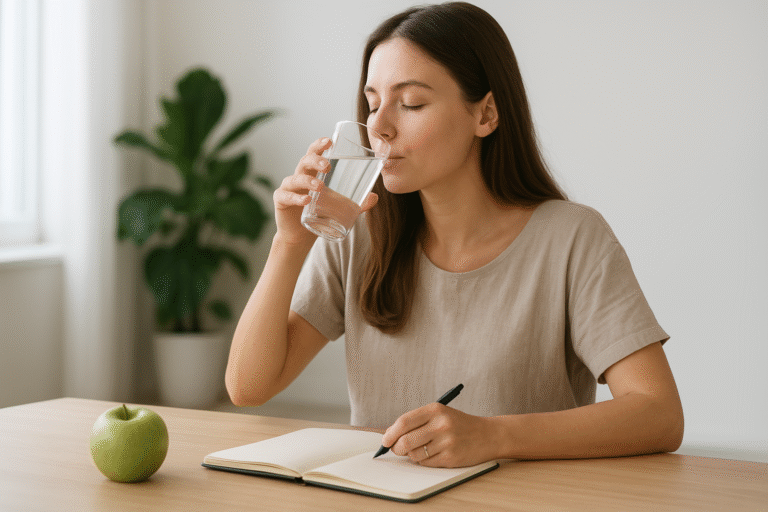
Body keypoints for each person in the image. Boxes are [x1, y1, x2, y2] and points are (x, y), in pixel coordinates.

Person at [226, 2, 684, 468]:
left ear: (485, 115)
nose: (380, 127)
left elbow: (659, 414)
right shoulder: (361, 233)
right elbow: (249, 386)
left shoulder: (572, 239)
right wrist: (290, 242)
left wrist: (493, 435)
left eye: (411, 104)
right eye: (373, 103)